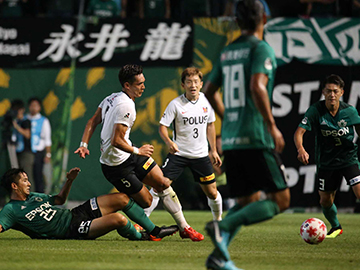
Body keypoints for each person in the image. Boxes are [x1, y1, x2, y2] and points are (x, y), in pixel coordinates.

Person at [203, 0, 290, 269]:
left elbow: (208, 91)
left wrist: (229, 116)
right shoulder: (261, 48)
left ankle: (220, 257)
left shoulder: (228, 51)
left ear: (238, 21)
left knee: (247, 200)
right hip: (254, 135)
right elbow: (257, 86)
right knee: (281, 200)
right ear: (265, 17)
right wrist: (272, 124)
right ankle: (222, 226)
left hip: (230, 137)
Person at [74, 64, 202, 241]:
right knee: (147, 201)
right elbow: (115, 140)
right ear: (127, 85)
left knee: (163, 182)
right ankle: (138, 222)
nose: (143, 86)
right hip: (116, 166)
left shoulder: (112, 98)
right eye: (139, 84)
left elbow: (92, 121)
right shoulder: (125, 106)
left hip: (129, 155)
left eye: (144, 82)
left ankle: (184, 227)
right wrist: (138, 150)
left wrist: (84, 144)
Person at [143, 67, 223, 239]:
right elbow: (162, 127)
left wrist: (213, 150)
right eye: (189, 82)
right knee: (159, 184)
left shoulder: (206, 102)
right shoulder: (175, 104)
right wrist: (169, 142)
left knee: (212, 192)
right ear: (183, 84)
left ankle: (219, 221)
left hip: (200, 156)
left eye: (195, 82)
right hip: (179, 155)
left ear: (201, 84)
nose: (192, 85)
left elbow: (210, 125)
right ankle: (142, 220)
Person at [0, 167, 178, 240]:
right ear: (14, 186)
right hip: (71, 229)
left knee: (122, 198)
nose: (29, 183)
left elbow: (60, 200)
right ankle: (145, 237)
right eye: (24, 181)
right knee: (119, 220)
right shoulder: (10, 210)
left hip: (74, 214)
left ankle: (154, 230)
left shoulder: (34, 197)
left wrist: (69, 181)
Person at [294, 74, 360, 239]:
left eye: (335, 91)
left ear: (341, 92)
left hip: (348, 158)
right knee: (325, 201)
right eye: (329, 91)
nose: (332, 94)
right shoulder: (316, 110)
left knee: (359, 191)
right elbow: (298, 133)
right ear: (323, 91)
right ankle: (336, 227)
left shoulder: (350, 111)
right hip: (326, 161)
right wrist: (301, 149)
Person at [26, 97, 52, 193]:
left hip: (38, 153)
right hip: (26, 152)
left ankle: (39, 198)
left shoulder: (44, 121)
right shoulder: (25, 119)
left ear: (39, 108)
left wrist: (48, 154)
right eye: (31, 105)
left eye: (36, 106)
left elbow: (47, 140)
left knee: (38, 176)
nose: (33, 108)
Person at [11, 100, 34, 187]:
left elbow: (27, 135)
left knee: (27, 175)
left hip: (26, 152)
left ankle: (30, 197)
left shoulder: (26, 121)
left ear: (22, 110)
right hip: (15, 151)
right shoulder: (14, 121)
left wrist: (16, 126)